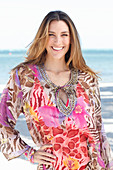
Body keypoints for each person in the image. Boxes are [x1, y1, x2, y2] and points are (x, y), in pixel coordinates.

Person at [0, 10, 113, 170]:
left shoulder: (87, 80)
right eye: (51, 34)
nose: (58, 41)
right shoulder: (25, 77)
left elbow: (100, 136)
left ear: (72, 39)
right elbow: (2, 121)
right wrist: (29, 153)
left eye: (64, 35)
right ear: (42, 38)